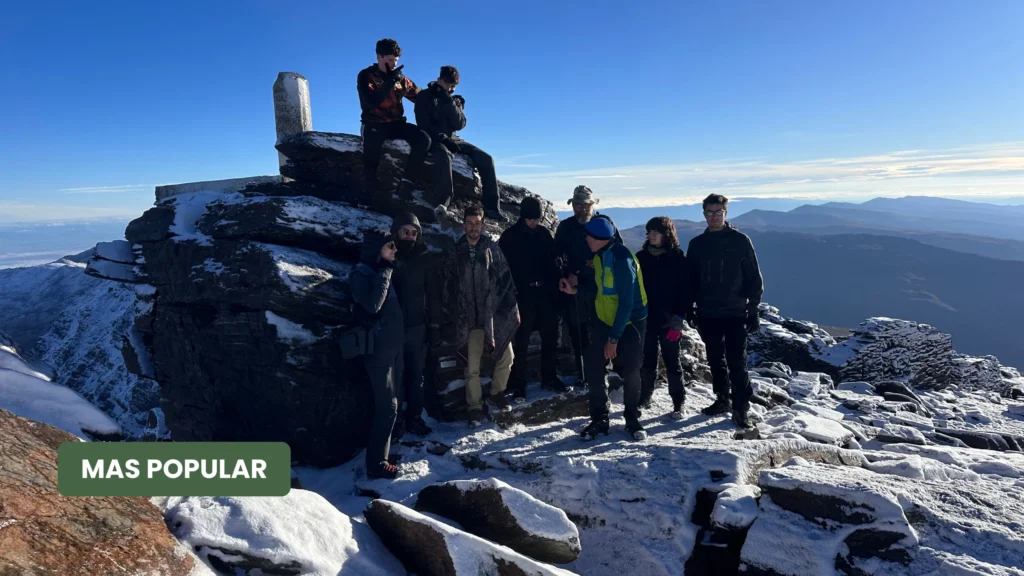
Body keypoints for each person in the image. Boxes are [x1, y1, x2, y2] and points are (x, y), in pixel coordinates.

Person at [559, 217, 649, 442]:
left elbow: (626, 303)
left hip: (630, 323)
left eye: (588, 236)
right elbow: (600, 289)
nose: (586, 239)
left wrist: (613, 338)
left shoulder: (622, 258)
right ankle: (600, 418)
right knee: (593, 366)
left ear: (599, 239)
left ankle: (632, 417)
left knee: (631, 370)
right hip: (604, 320)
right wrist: (575, 290)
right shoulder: (599, 256)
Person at [687, 194, 764, 429]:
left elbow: (753, 277)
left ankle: (741, 409)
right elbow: (690, 279)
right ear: (704, 214)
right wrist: (689, 306)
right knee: (715, 359)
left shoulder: (741, 241)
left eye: (718, 212)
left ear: (726, 213)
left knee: (737, 362)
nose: (714, 217)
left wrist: (753, 309)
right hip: (707, 312)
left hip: (735, 312)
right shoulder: (697, 244)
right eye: (710, 212)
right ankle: (722, 399)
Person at [447, 205, 520, 426]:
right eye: (469, 223)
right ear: (463, 225)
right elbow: (449, 287)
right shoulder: (455, 252)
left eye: (477, 223)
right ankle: (475, 407)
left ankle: (497, 393)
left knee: (507, 358)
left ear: (483, 224)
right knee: (472, 368)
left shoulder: (492, 249)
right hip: (468, 320)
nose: (473, 227)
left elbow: (506, 281)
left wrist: (510, 309)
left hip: (492, 316)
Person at [414, 65, 507, 222]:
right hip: (435, 138)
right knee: (443, 157)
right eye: (447, 83)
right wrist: (443, 139)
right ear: (439, 79)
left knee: (486, 158)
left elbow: (460, 124)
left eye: (452, 85)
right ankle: (443, 204)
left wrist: (449, 102)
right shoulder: (424, 96)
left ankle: (492, 207)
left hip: (454, 138)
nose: (449, 88)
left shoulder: (453, 100)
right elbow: (423, 124)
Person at [349, 230, 404, 479]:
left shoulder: (379, 270)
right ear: (376, 249)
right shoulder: (361, 274)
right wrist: (385, 271)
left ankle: (382, 454)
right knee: (388, 407)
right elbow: (372, 306)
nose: (394, 250)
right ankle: (376, 465)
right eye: (389, 246)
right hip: (377, 351)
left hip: (391, 348)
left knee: (391, 406)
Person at [498, 196, 561, 402]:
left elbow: (554, 263)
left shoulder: (544, 234)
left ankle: (549, 378)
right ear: (522, 216)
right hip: (522, 296)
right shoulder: (509, 237)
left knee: (550, 337)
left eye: (536, 218)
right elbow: (502, 270)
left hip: (545, 295)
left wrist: (556, 289)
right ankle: (519, 385)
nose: (533, 222)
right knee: (521, 342)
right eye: (530, 218)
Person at [356, 38, 431, 205]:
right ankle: (370, 191)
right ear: (379, 57)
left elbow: (420, 96)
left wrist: (437, 94)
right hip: (373, 123)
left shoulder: (401, 79)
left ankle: (406, 184)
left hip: (396, 123)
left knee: (424, 139)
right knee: (371, 150)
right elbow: (372, 101)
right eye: (390, 60)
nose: (393, 64)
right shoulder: (366, 76)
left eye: (395, 61)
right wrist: (389, 82)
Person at [390, 212, 442, 437]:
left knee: (416, 376)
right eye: (405, 232)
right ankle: (397, 421)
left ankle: (415, 418)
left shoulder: (425, 258)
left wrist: (435, 326)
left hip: (417, 327)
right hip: (391, 329)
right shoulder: (388, 256)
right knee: (394, 379)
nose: (410, 237)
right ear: (396, 232)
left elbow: (433, 295)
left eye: (414, 233)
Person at [635, 217, 690, 420]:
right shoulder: (641, 258)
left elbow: (685, 291)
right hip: (646, 319)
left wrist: (678, 318)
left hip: (669, 320)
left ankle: (678, 402)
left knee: (672, 362)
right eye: (649, 232)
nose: (652, 235)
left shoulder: (677, 259)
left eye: (656, 232)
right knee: (647, 361)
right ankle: (645, 397)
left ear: (667, 234)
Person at [554, 185, 599, 380]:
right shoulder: (566, 227)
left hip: (600, 287)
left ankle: (600, 370)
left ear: (592, 204)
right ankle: (583, 372)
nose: (580, 208)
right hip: (574, 287)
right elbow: (556, 255)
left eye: (584, 205)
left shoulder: (603, 223)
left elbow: (617, 251)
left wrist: (597, 262)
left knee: (600, 328)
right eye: (576, 205)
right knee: (577, 330)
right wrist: (566, 275)